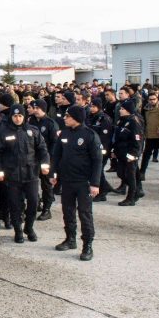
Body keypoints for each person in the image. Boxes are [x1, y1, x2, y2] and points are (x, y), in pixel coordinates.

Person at [50, 105, 102, 261]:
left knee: (85, 214)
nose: (65, 119)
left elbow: (97, 161)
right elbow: (56, 155)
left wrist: (95, 183)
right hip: (67, 180)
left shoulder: (90, 135)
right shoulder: (64, 134)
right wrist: (54, 173)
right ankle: (70, 239)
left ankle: (87, 245)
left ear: (76, 118)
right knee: (68, 211)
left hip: (83, 182)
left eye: (68, 116)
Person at [0, 104, 49, 244]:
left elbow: (42, 150)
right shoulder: (4, 132)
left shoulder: (33, 131)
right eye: (14, 116)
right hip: (12, 175)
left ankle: (29, 228)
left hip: (31, 174)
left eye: (20, 116)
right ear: (11, 117)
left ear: (24, 117)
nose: (17, 118)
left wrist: (45, 165)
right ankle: (18, 230)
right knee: (15, 205)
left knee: (33, 202)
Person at [112, 100, 143, 206]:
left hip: (130, 154)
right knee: (120, 173)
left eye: (122, 109)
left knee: (130, 175)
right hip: (121, 153)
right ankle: (137, 191)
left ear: (128, 110)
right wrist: (114, 151)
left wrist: (133, 155)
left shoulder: (134, 121)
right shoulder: (121, 121)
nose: (120, 110)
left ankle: (131, 197)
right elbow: (117, 138)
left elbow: (137, 140)